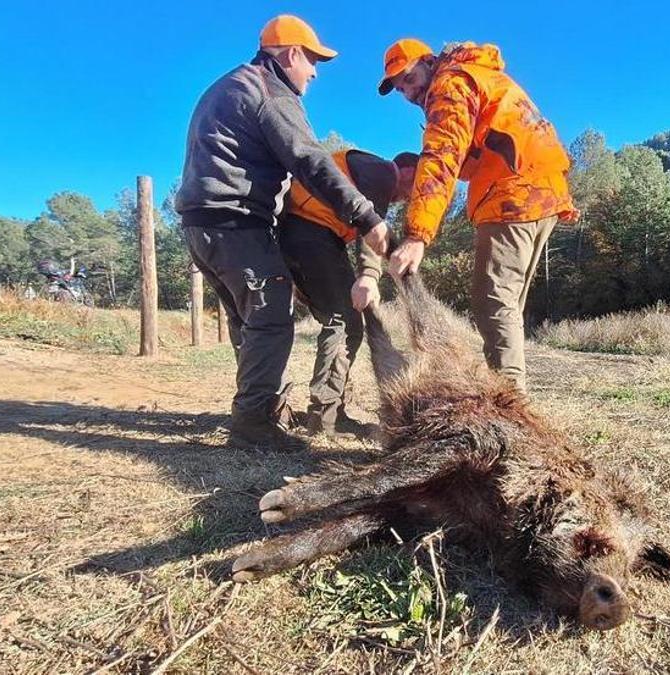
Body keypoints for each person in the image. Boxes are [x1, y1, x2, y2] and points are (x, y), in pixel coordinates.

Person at [174, 15, 389, 447]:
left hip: (201, 226)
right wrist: (366, 217)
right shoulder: (270, 92)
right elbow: (309, 159)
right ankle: (252, 424)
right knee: (271, 320)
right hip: (237, 223)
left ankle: (261, 409)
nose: (314, 73)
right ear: (291, 54)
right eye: (313, 61)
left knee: (248, 322)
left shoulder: (227, 85)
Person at [378, 39, 578, 393]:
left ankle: (509, 404)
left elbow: (442, 157)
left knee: (493, 301)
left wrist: (416, 235)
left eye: (409, 78)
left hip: (513, 193)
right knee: (506, 304)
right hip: (542, 190)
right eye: (400, 88)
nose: (408, 92)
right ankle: (509, 390)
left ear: (429, 62)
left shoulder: (449, 84)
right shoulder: (477, 75)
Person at [280, 150, 418, 435]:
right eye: (412, 190)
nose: (407, 198)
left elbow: (374, 231)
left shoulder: (368, 172)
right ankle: (326, 418)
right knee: (344, 321)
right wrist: (368, 275)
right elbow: (373, 229)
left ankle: (320, 410)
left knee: (341, 319)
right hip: (311, 233)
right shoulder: (384, 172)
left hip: (308, 235)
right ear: (407, 171)